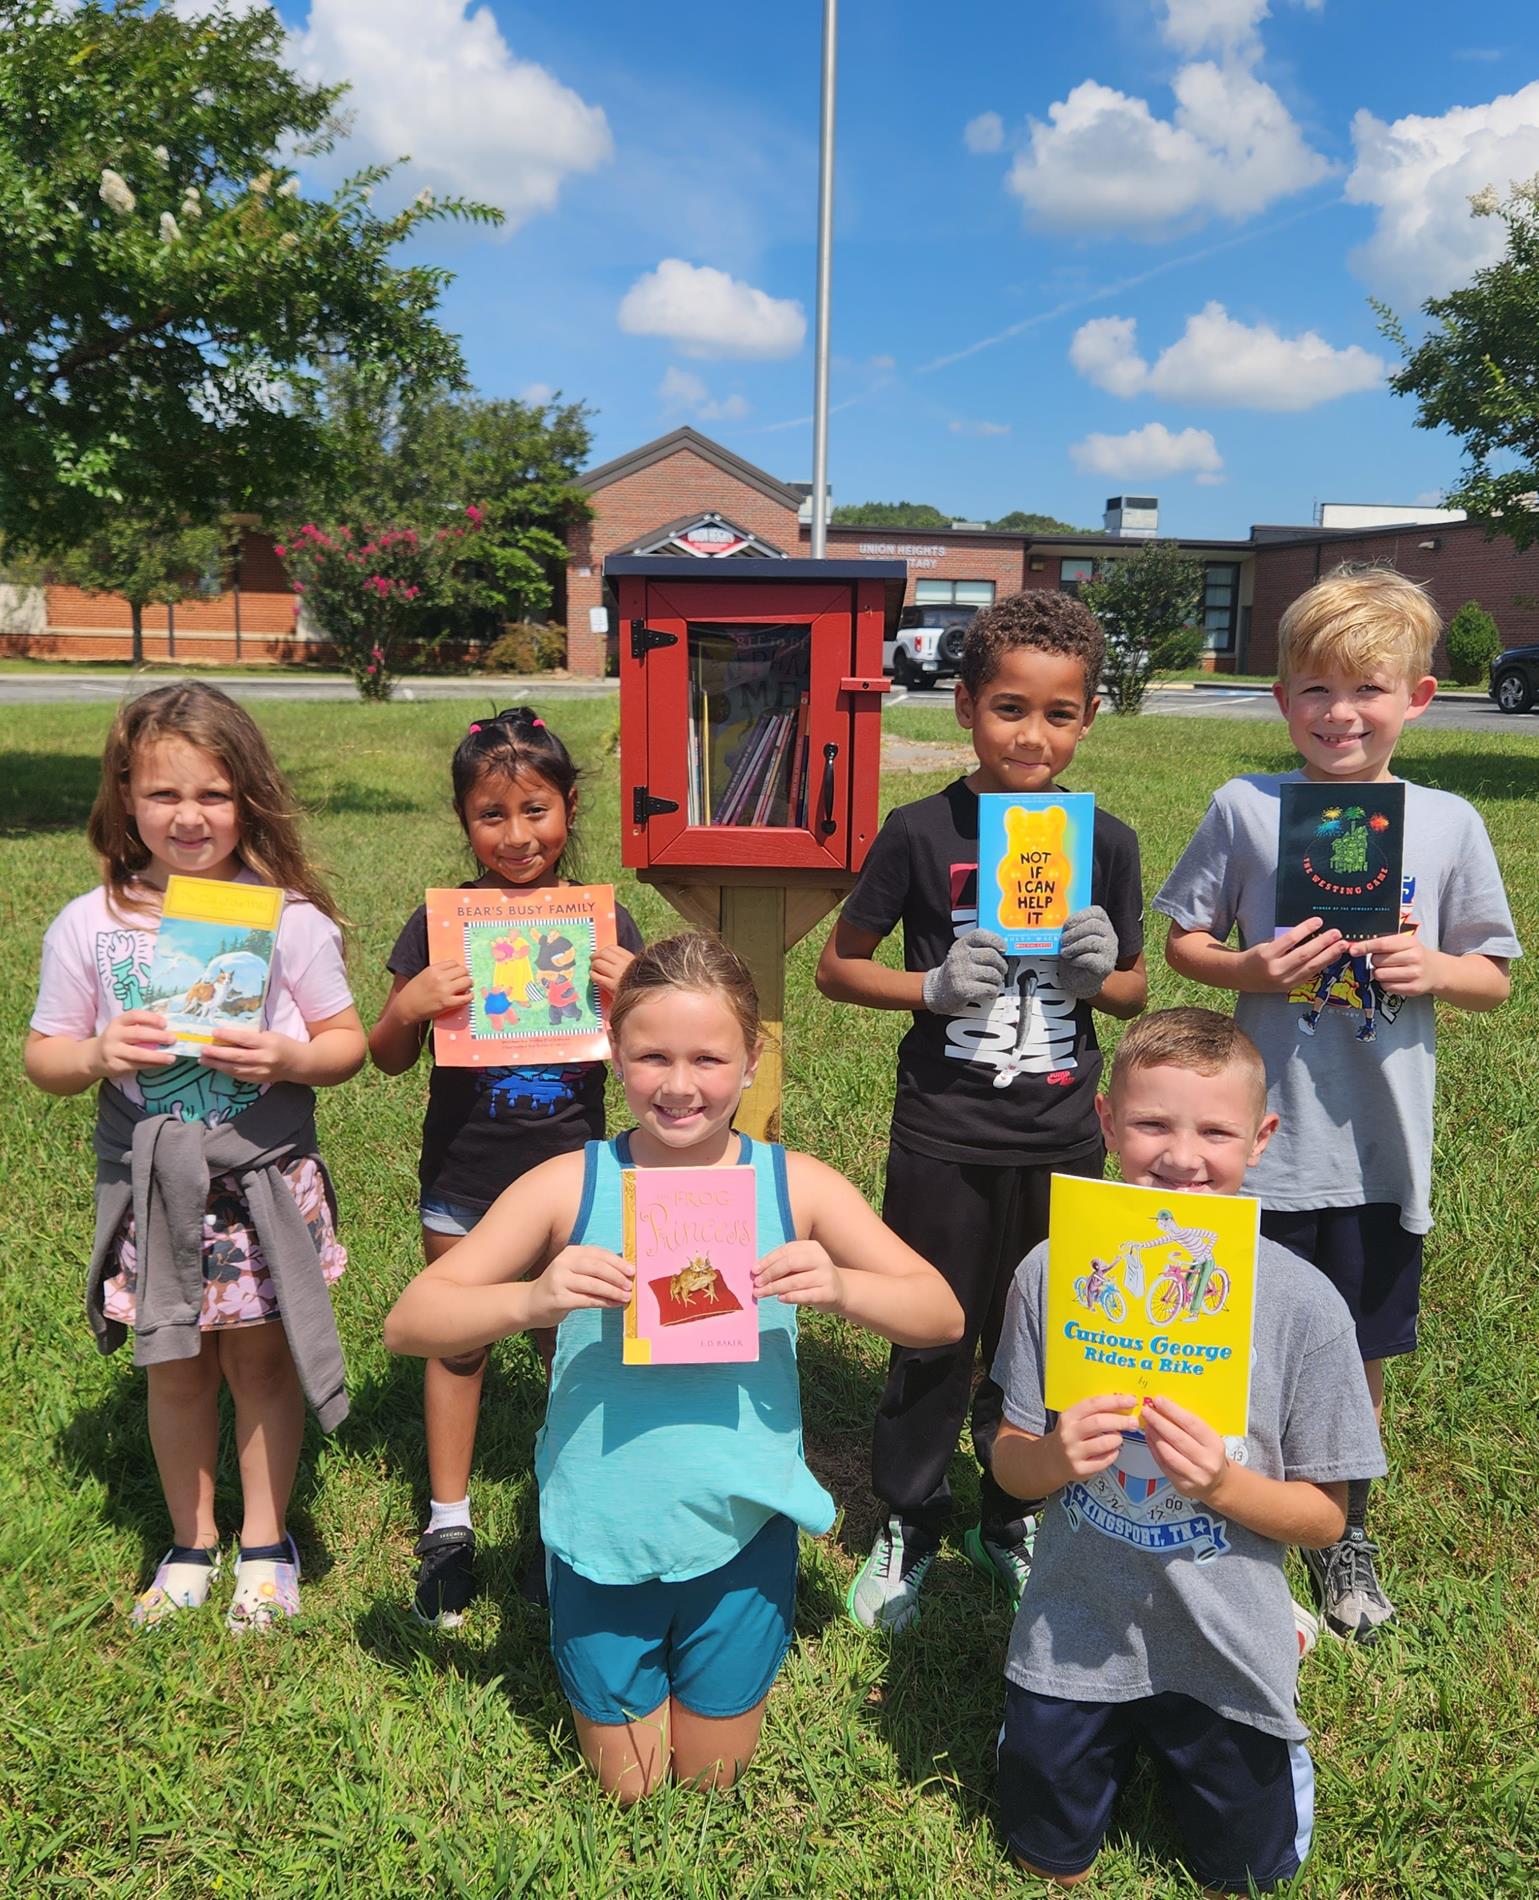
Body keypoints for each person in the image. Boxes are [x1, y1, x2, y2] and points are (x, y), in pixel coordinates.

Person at [383, 932, 963, 1802]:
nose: (680, 1085)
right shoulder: (567, 1186)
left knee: (709, 1785)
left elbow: (941, 1313)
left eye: (707, 1058)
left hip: (738, 1531)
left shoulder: (791, 1185)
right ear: (614, 1052)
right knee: (633, 1792)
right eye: (652, 1055)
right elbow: (410, 1322)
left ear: (751, 1059)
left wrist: (842, 1286)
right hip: (601, 1527)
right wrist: (532, 1300)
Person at [1154, 565, 1519, 1640]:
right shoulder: (1247, 808)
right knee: (1229, 1338)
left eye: (1367, 688)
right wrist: (1248, 970)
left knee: (1353, 1352)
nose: (1340, 712)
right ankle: (1225, 1508)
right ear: (1282, 701)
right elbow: (1183, 940)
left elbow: (1494, 973)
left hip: (1376, 1150)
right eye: (1315, 689)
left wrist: (1435, 970)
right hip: (1253, 1151)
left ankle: (1341, 1527)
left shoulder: (1447, 822)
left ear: (1419, 696)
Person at [991, 1008, 1384, 1893]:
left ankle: (1267, 1668)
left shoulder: (1303, 1306)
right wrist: (1054, 1459)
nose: (1180, 1155)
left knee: (1247, 1875)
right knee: (1043, 1860)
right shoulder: (1053, 1273)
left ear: (1262, 1136)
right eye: (1151, 1124)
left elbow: (1324, 1520)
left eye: (1214, 1130)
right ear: (1104, 1122)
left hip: (1224, 1643)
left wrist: (1221, 1482)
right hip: (1071, 1623)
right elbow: (1007, 1461)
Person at [816, 590, 1147, 1629]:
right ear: (964, 706)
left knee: (1045, 1336)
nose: (1032, 735)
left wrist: (1100, 976)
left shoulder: (1110, 842)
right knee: (934, 1333)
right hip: (945, 1136)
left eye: (1059, 713)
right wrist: (927, 987)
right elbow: (836, 966)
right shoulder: (918, 834)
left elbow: (1135, 987)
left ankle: (1012, 1509)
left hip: (1063, 1137)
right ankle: (910, 1514)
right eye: (1009, 707)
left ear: (1089, 719)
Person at [25, 682, 365, 1631]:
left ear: (247, 797)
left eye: (212, 793)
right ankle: (190, 1542)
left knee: (260, 1366)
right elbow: (43, 1057)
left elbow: (346, 1041)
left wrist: (292, 1056)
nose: (188, 816)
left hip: (260, 1180)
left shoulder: (285, 918)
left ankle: (265, 1545)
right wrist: (95, 1054)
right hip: (154, 1189)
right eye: (163, 794)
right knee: (175, 1366)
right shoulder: (88, 923)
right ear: (124, 798)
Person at [369, 707, 643, 1626]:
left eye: (536, 811)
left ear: (569, 806)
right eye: (492, 816)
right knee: (457, 1341)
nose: (517, 836)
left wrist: (634, 991)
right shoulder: (440, 924)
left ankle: (563, 1518)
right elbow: (388, 1058)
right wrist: (407, 1004)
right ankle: (449, 1523)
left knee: (570, 1346)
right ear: (463, 821)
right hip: (467, 1175)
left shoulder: (608, 924)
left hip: (575, 1182)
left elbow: (652, 1058)